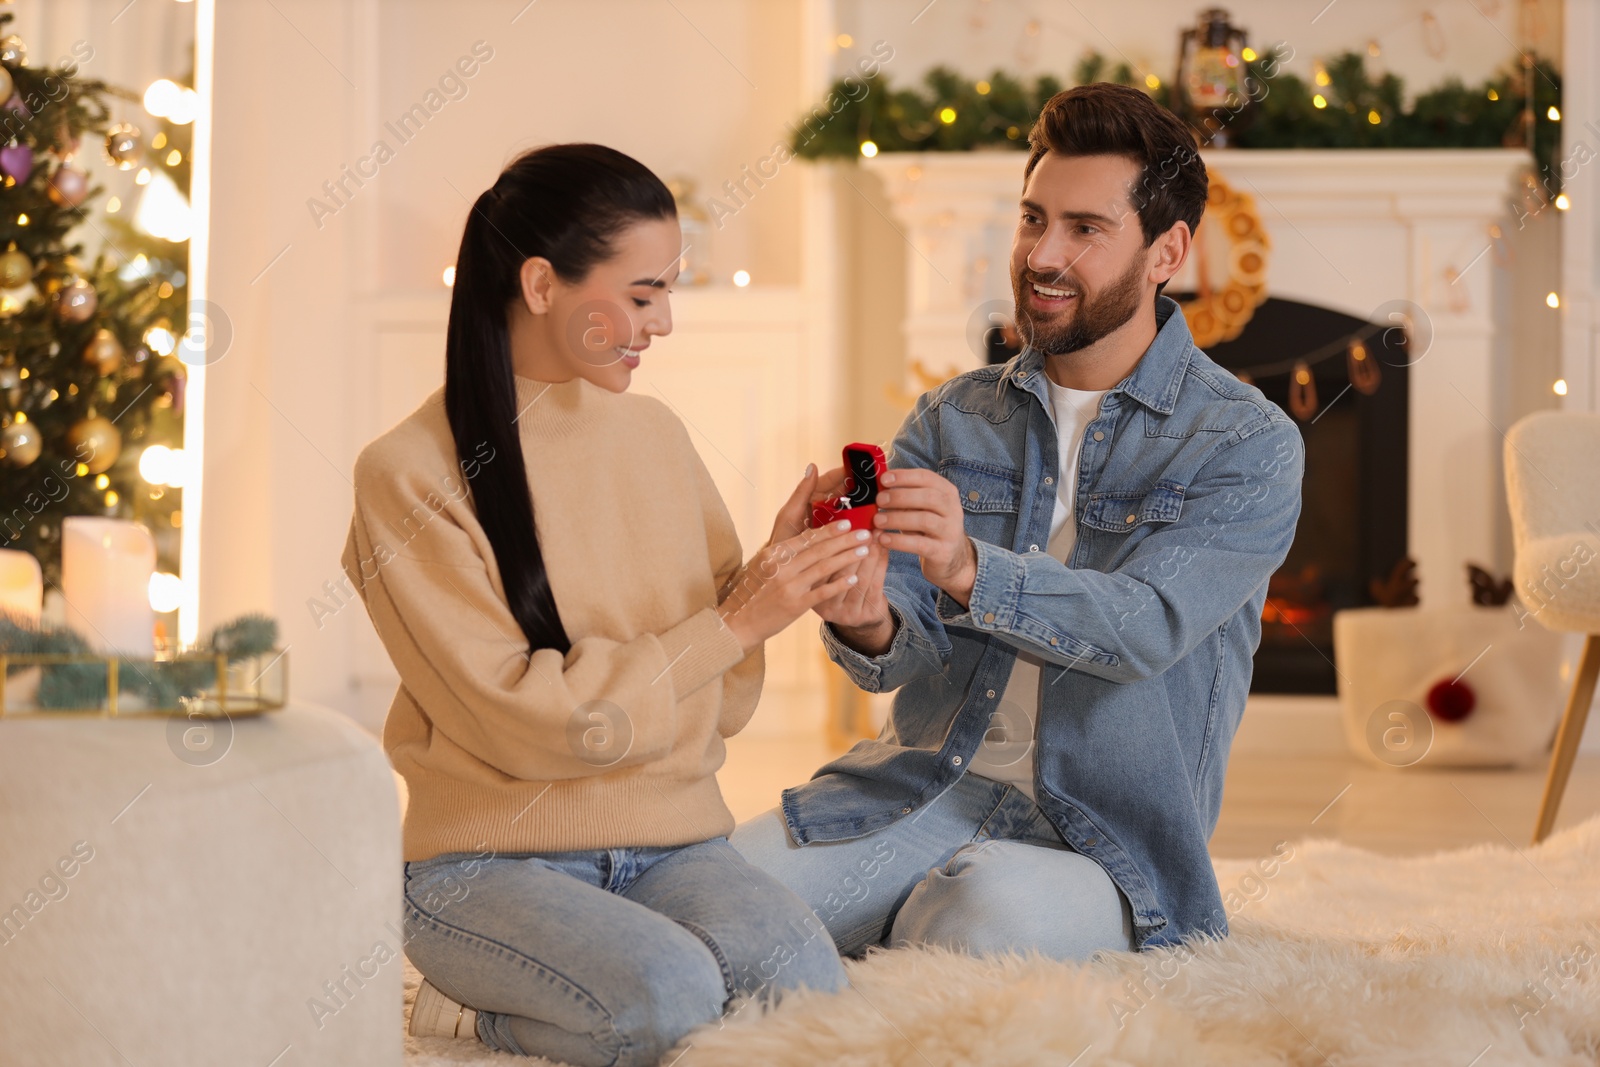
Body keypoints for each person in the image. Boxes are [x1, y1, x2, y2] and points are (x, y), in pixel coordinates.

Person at [733, 83, 1305, 959]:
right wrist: (862, 611)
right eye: (1033, 218)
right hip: (924, 792)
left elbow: (1147, 626)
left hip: (1100, 843)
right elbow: (897, 653)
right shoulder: (951, 419)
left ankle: (857, 950)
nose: (1043, 253)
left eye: (1085, 229)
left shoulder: (1247, 442)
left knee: (975, 922)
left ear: (1167, 251)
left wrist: (971, 567)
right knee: (717, 900)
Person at [341, 143, 854, 1065]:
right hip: (483, 864)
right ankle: (471, 1013)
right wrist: (730, 622)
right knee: (668, 999)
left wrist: (768, 583)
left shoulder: (655, 434)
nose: (663, 322)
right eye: (644, 292)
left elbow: (726, 696)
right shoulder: (406, 474)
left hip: (676, 842)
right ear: (542, 284)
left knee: (807, 990)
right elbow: (521, 720)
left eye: (670, 290)